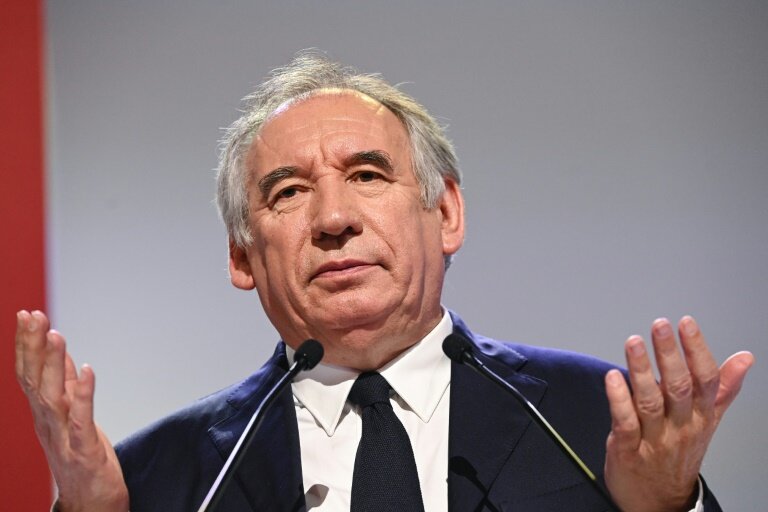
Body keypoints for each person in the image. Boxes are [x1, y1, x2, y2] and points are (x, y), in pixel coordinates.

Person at [15, 51, 754, 512]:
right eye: (288, 192)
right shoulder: (157, 479)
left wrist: (665, 508)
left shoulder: (592, 420)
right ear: (242, 256)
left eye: (368, 175)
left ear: (447, 213)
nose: (335, 218)